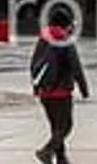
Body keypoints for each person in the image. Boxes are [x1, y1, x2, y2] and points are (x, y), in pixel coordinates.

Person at [27, 17, 89, 164]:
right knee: (66, 126)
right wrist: (84, 89)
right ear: (66, 25)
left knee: (56, 127)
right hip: (61, 92)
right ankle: (46, 151)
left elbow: (34, 64)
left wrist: (36, 88)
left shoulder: (43, 39)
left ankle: (61, 158)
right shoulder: (64, 40)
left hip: (45, 92)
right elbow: (76, 66)